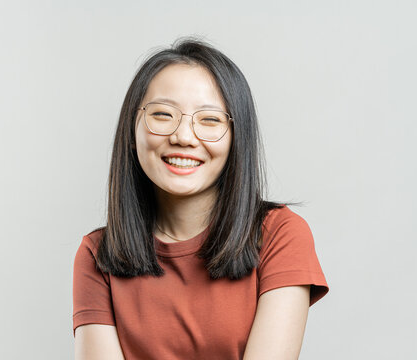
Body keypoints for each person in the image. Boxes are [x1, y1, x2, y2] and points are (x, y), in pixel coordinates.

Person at [73, 38, 329, 360]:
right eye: (163, 114)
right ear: (131, 130)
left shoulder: (280, 234)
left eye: (209, 120)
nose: (183, 136)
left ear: (238, 139)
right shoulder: (98, 255)